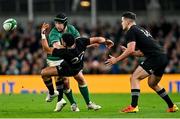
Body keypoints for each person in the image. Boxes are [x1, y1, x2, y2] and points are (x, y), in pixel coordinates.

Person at [105, 11, 179, 113]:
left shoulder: (131, 31)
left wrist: (116, 59)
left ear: (127, 21)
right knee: (153, 83)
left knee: (134, 77)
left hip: (155, 58)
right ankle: (172, 106)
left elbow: (130, 49)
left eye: (122, 21)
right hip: (162, 57)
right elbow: (141, 52)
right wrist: (130, 52)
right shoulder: (141, 30)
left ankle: (133, 106)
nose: (121, 23)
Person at [40, 23, 114, 112]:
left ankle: (53, 93)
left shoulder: (64, 51)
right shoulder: (80, 42)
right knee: (81, 81)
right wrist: (106, 41)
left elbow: (46, 49)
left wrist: (43, 33)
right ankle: (88, 103)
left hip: (67, 69)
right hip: (78, 67)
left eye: (62, 41)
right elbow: (98, 39)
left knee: (44, 73)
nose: (61, 42)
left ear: (65, 44)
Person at [44, 12, 80, 112]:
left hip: (65, 58)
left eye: (59, 23)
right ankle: (59, 100)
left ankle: (72, 104)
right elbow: (56, 46)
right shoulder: (53, 32)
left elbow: (78, 40)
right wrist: (70, 48)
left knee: (66, 83)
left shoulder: (71, 29)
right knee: (60, 78)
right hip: (54, 58)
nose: (57, 25)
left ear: (65, 23)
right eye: (56, 23)